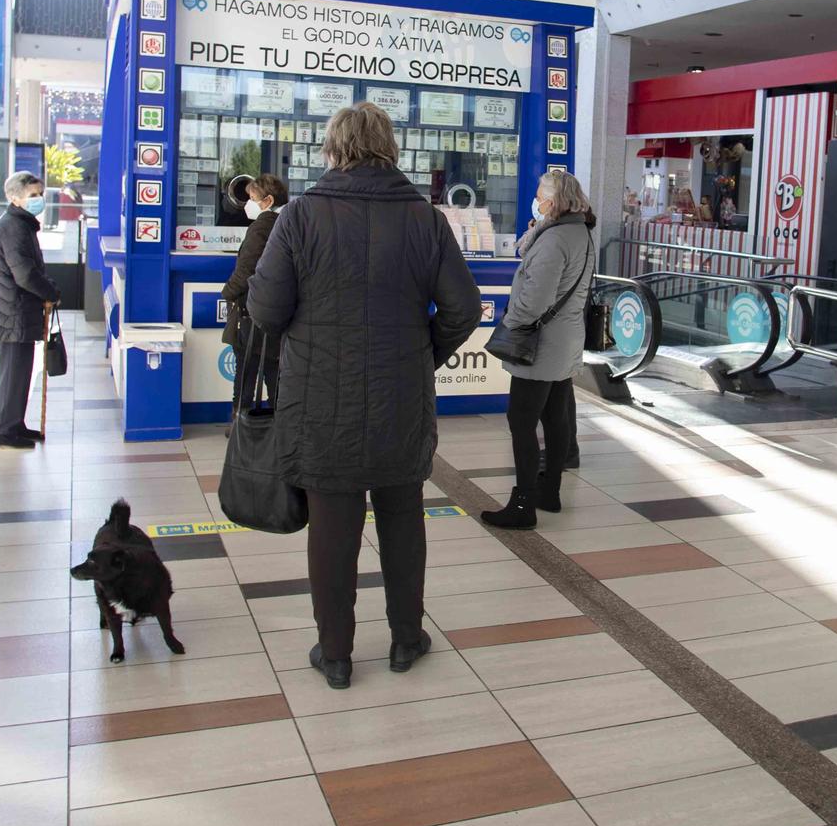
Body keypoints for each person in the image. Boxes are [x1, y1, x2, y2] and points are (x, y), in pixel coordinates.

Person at [248, 103, 481, 690]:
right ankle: (406, 639)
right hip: (401, 399)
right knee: (403, 518)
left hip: (320, 400)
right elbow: (464, 309)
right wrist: (417, 357)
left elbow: (267, 310)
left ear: (332, 150)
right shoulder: (426, 221)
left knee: (332, 526)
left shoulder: (299, 216)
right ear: (390, 148)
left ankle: (336, 654)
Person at [484, 171, 596, 530]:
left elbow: (534, 300)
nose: (537, 199)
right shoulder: (581, 233)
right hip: (565, 341)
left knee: (521, 423)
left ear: (555, 200)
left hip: (540, 345)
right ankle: (550, 492)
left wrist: (510, 320)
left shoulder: (553, 240)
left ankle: (523, 506)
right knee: (556, 418)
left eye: (540, 195)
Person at [0, 171, 62, 450]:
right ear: (15, 198)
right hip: (11, 312)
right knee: (14, 372)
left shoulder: (21, 224)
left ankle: (13, 423)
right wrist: (51, 292)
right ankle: (4, 431)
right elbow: (25, 274)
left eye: (41, 194)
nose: (39, 200)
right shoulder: (14, 227)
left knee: (19, 372)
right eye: (33, 195)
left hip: (14, 310)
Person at [220, 174, 287, 407]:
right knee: (274, 371)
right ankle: (277, 425)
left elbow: (246, 271)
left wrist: (227, 293)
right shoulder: (288, 224)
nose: (247, 204)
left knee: (246, 371)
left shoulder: (261, 228)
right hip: (277, 313)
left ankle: (241, 424)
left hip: (251, 312)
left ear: (267, 201)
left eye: (252, 198)